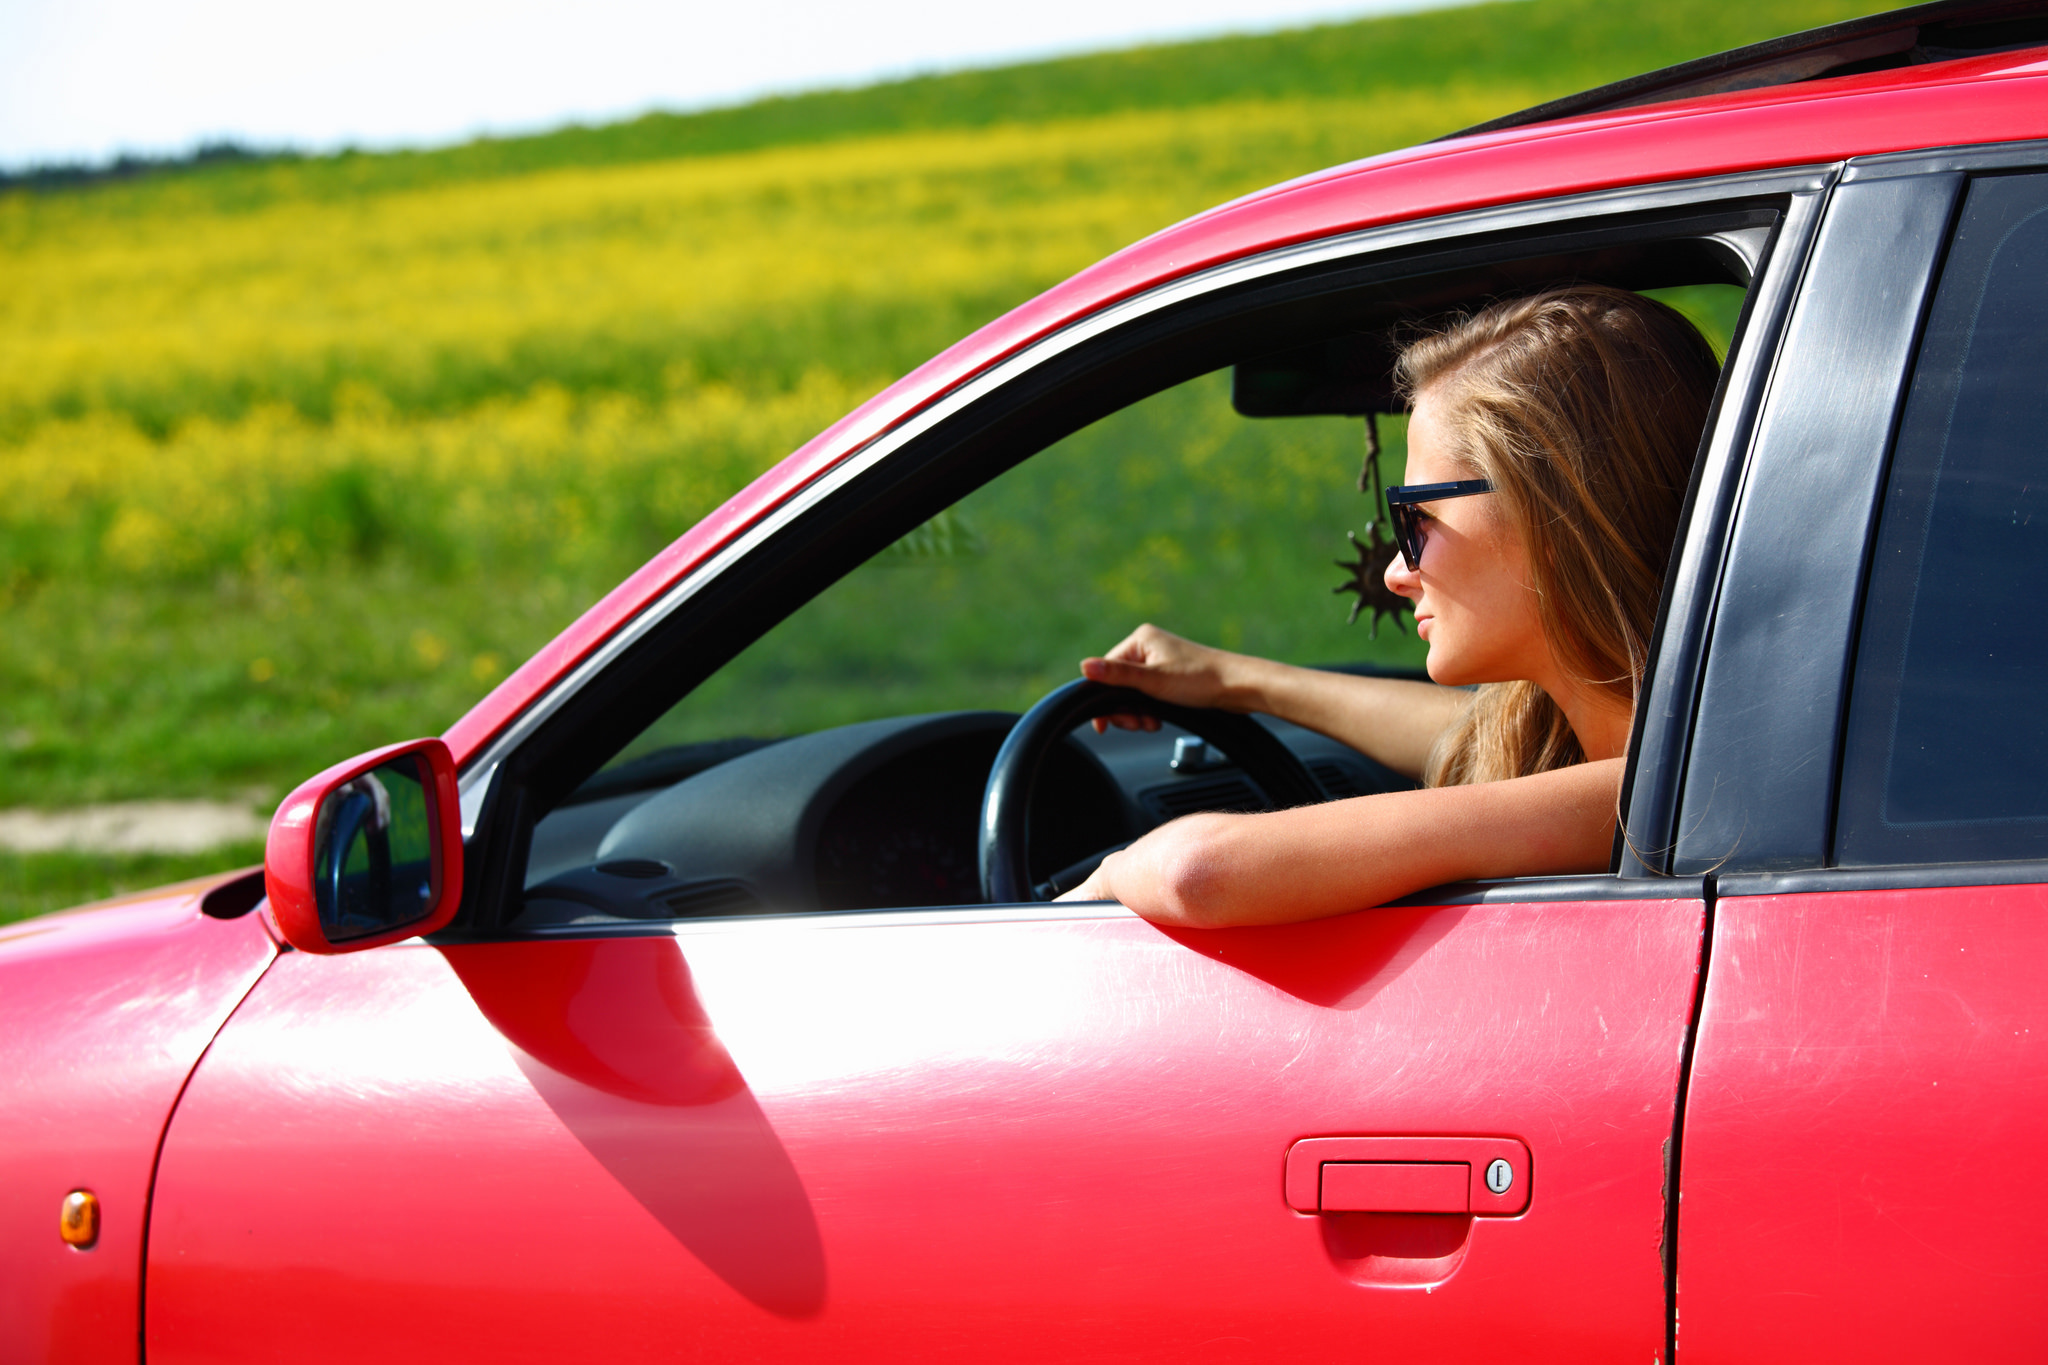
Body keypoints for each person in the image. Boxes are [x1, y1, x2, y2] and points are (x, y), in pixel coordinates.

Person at [1057, 285, 1719, 926]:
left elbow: (1199, 873)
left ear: (1556, 514)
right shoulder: (1664, 750)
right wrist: (1237, 680)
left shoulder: (1655, 795)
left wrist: (1110, 875)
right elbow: (1469, 733)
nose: (1399, 570)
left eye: (1418, 519)